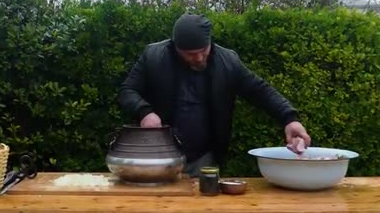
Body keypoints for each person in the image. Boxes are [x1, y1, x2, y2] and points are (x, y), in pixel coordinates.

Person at [117, 13, 312, 177]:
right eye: (190, 54)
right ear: (176, 47)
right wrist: (145, 112)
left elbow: (260, 91)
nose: (199, 57)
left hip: (204, 161)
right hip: (157, 158)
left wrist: (289, 118)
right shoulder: (153, 56)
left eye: (203, 50)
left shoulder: (229, 62)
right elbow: (127, 91)